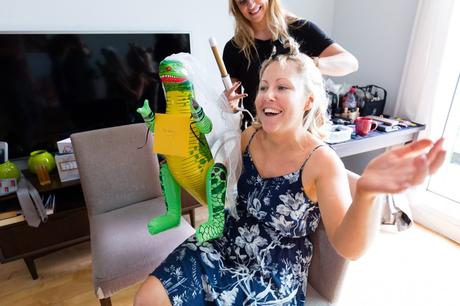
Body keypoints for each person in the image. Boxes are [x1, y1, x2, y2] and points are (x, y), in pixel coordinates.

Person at [133, 46, 445, 305]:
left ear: (308, 100)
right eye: (264, 86)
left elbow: (349, 247)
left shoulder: (322, 162)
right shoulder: (248, 137)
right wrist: (175, 131)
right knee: (148, 297)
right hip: (221, 245)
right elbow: (212, 185)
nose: (268, 95)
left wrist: (366, 193)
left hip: (271, 274)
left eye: (282, 87)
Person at [223, 0, 359, 128]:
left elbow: (350, 63)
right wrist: (229, 103)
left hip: (299, 134)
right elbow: (235, 104)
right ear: (236, 7)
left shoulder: (300, 29)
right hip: (257, 135)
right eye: (242, 1)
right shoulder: (234, 48)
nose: (251, 4)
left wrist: (309, 64)